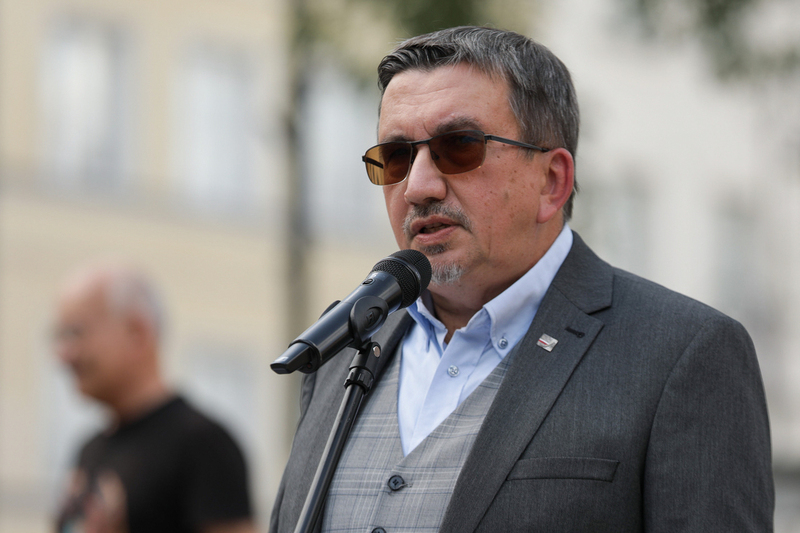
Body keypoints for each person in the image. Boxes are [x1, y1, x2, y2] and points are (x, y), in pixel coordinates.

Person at [270, 26, 773, 532]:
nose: (418, 186)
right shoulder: (345, 349)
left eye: (459, 146)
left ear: (552, 181)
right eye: (397, 157)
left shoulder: (683, 354)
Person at [53, 263, 256, 533]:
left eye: (76, 333)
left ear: (137, 331)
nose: (63, 354)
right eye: (60, 336)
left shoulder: (204, 445)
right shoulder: (89, 450)